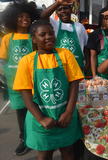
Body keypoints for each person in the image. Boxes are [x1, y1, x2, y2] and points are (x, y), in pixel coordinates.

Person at [13, 20, 83, 160]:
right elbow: (25, 93)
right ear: (34, 39)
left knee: (68, 151)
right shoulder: (26, 61)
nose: (48, 37)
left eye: (51, 33)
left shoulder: (66, 55)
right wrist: (41, 118)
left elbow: (74, 84)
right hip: (41, 117)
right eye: (42, 34)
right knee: (45, 154)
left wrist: (69, 112)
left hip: (65, 116)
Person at [0, 2, 40, 155]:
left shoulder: (34, 37)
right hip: (15, 83)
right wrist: (4, 78)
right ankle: (24, 139)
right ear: (13, 19)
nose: (25, 19)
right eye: (21, 17)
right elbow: (2, 60)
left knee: (35, 110)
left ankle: (36, 137)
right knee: (21, 112)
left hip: (33, 80)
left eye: (28, 17)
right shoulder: (7, 38)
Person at [40, 0, 88, 70]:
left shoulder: (80, 27)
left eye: (65, 8)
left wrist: (87, 62)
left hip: (77, 68)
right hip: (59, 68)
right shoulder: (54, 25)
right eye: (59, 9)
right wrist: (58, 3)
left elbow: (86, 47)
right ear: (56, 12)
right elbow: (43, 16)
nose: (63, 11)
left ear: (71, 10)